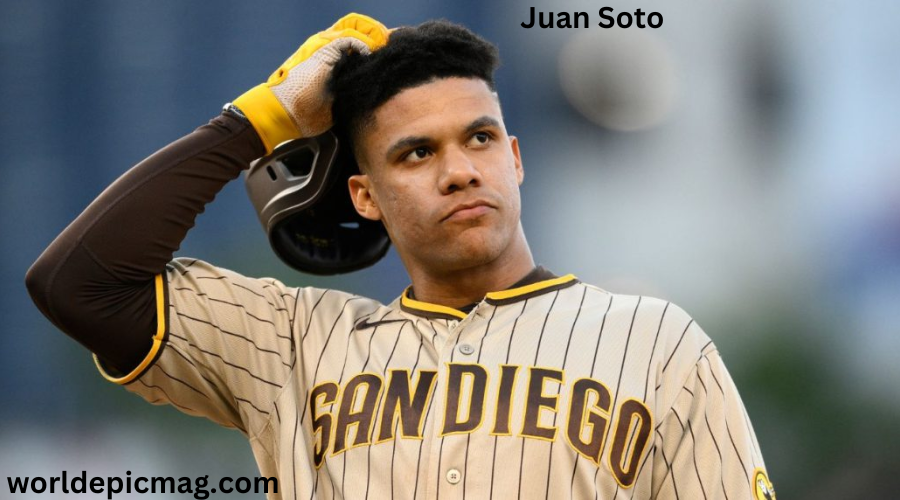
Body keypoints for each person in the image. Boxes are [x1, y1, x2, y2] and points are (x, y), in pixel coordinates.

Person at [25, 13, 775, 500]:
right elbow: (79, 284)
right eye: (416, 153)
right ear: (365, 197)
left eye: (479, 138)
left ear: (515, 158)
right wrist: (264, 118)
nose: (459, 170)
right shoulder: (294, 343)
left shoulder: (656, 341)